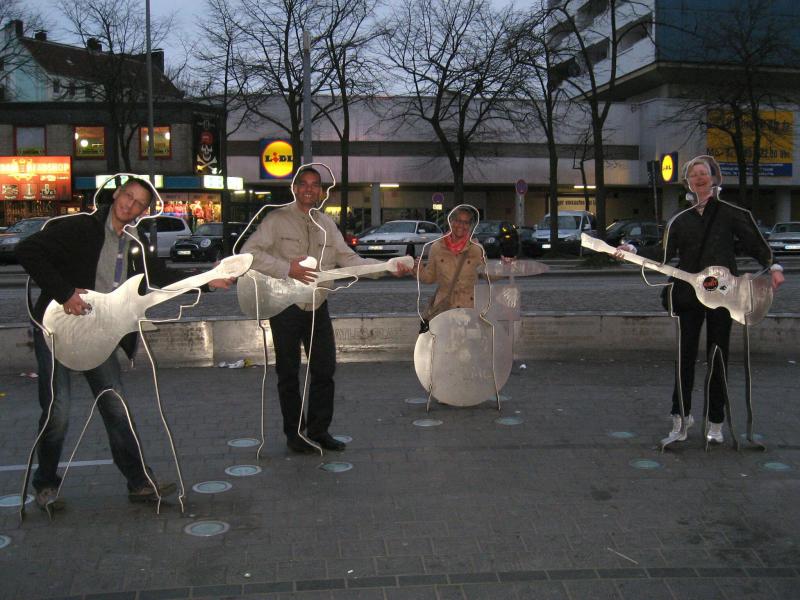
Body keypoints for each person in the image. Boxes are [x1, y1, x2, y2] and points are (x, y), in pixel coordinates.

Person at [16, 177, 234, 511]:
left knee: (116, 406)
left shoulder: (134, 242)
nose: (129, 205)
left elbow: (156, 280)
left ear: (143, 211)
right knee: (58, 409)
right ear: (117, 194)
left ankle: (139, 483)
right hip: (57, 329)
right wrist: (65, 293)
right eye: (127, 196)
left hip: (99, 333)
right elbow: (27, 250)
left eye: (138, 203)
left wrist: (207, 280)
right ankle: (45, 484)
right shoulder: (80, 228)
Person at [241, 166, 410, 454]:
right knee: (288, 374)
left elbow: (350, 260)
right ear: (295, 189)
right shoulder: (277, 220)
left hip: (318, 306)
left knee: (324, 369)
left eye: (315, 185)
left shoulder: (327, 224)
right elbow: (249, 253)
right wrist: (287, 268)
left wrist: (387, 267)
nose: (309, 189)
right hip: (286, 307)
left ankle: (319, 431)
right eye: (304, 184)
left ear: (321, 191)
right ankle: (295, 435)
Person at [618, 156, 784, 444]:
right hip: (688, 295)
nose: (699, 177)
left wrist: (774, 267)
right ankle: (680, 417)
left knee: (718, 356)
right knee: (685, 357)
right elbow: (663, 253)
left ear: (714, 177)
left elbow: (755, 243)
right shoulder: (680, 219)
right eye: (693, 174)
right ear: (688, 182)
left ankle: (716, 421)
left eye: (703, 172)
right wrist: (633, 250)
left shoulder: (731, 212)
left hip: (723, 297)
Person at [416, 206, 485, 329]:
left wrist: (505, 266)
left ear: (470, 226)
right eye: (458, 220)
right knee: (443, 341)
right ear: (450, 221)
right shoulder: (437, 247)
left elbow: (489, 274)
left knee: (468, 341)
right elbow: (430, 278)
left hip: (468, 311)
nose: (461, 225)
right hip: (444, 310)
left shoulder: (476, 249)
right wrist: (418, 270)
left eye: (466, 222)